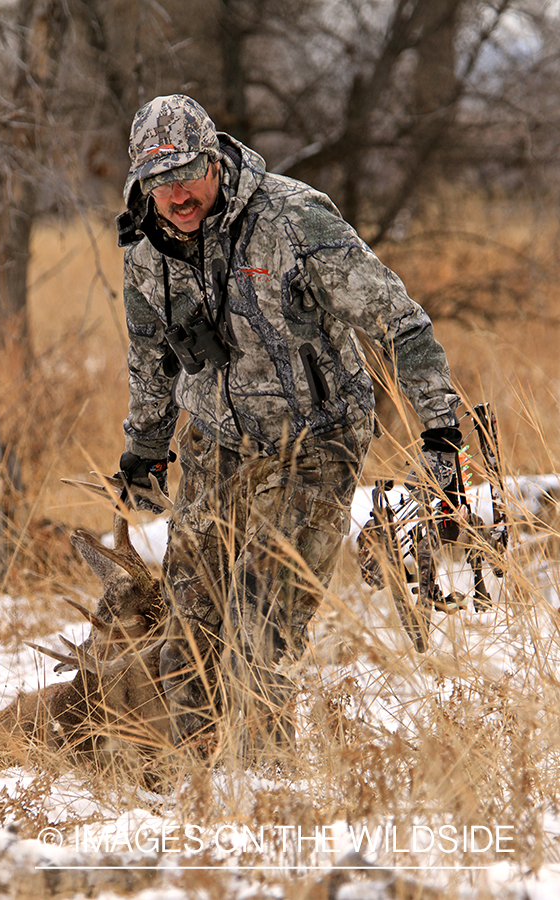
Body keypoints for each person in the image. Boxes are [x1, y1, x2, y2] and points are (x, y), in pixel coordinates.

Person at [115, 94, 461, 764]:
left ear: (215, 159)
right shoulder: (144, 250)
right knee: (190, 626)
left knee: (260, 624)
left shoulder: (293, 218)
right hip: (216, 441)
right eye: (160, 181)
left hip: (314, 440)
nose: (177, 192)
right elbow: (148, 356)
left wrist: (440, 426)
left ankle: (263, 788)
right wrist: (145, 451)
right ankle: (200, 787)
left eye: (188, 171)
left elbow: (399, 320)